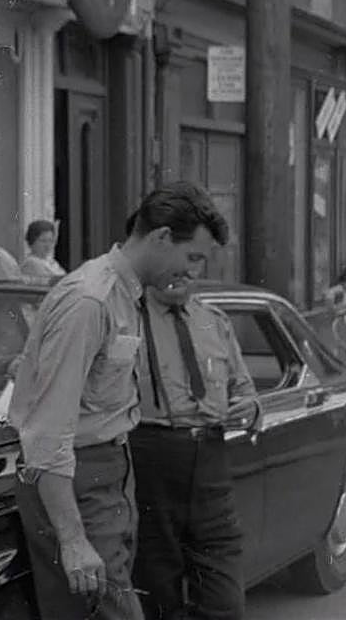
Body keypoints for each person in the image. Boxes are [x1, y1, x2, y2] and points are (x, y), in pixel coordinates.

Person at [9, 182, 228, 620]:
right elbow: (46, 432)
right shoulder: (90, 301)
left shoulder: (125, 295)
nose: (193, 272)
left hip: (107, 473)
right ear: (162, 237)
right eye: (193, 257)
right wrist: (72, 540)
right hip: (75, 480)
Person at [130, 249, 259, 620]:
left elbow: (244, 389)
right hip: (149, 460)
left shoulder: (213, 321)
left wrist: (249, 408)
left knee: (223, 599)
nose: (183, 271)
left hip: (210, 462)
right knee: (156, 591)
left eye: (193, 262)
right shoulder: (124, 321)